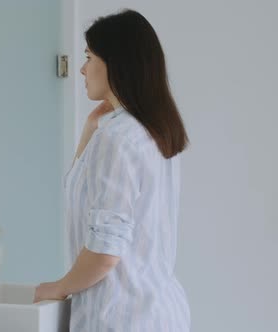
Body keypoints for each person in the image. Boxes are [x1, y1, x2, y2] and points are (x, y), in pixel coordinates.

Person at [33, 9, 191, 331]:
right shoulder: (154, 130)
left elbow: (105, 252)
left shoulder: (117, 138)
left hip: (121, 317)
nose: (82, 69)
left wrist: (59, 287)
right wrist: (91, 126)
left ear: (116, 64)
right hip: (160, 311)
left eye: (89, 57)